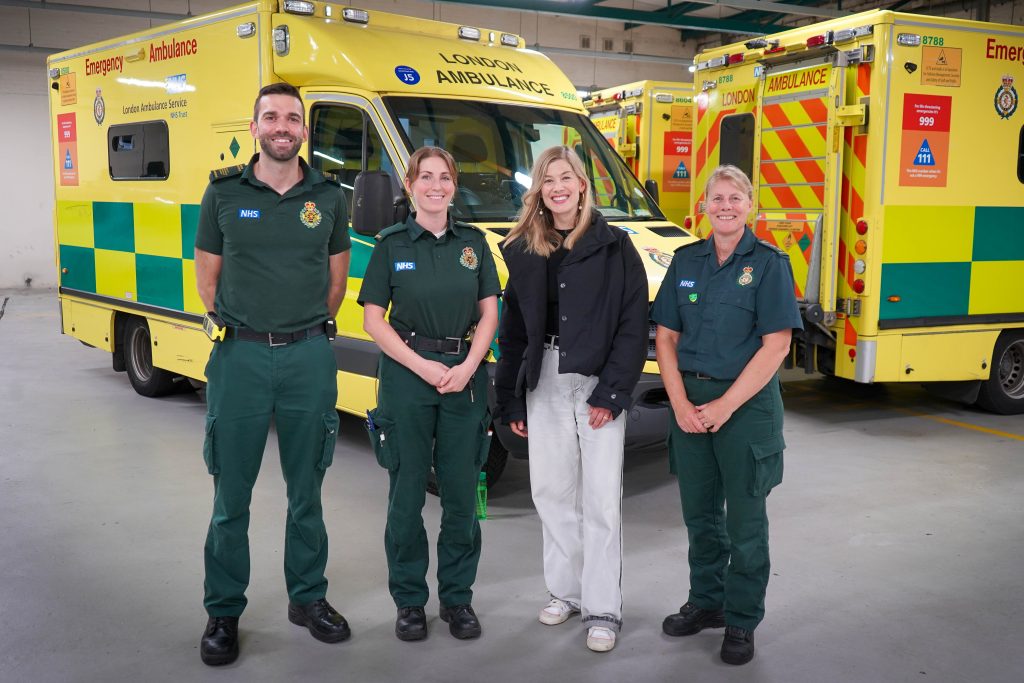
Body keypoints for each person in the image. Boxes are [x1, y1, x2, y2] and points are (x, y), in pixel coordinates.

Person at [193, 82, 352, 666]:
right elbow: (206, 280)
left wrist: (300, 329)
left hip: (309, 355)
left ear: (304, 129)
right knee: (230, 494)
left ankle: (307, 598)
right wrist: (245, 328)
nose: (282, 126)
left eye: (292, 117)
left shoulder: (330, 198)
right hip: (240, 358)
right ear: (255, 125)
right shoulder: (224, 192)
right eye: (271, 117)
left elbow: (336, 284)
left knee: (306, 488)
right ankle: (223, 609)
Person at [494, 146, 649, 653]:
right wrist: (512, 400)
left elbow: (633, 325)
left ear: (583, 183)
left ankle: (604, 608)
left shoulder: (615, 246)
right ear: (537, 190)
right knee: (551, 494)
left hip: (597, 381)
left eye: (566, 177)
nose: (557, 186)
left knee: (602, 499)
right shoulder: (522, 247)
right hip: (545, 380)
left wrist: (613, 391)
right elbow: (514, 330)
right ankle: (566, 592)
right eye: (547, 179)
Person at [651, 164, 803, 665]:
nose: (725, 207)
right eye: (716, 198)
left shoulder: (768, 264)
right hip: (689, 405)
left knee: (744, 519)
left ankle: (740, 619)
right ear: (704, 206)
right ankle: (706, 602)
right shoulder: (685, 259)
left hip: (745, 409)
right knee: (699, 516)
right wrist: (679, 403)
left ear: (750, 205)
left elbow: (776, 346)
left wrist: (723, 406)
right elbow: (665, 338)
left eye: (735, 198)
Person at [359, 147, 500, 643]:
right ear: (410, 184)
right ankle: (410, 602)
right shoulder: (391, 244)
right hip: (406, 376)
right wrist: (421, 365)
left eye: (445, 178)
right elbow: (372, 318)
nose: (436, 186)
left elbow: (489, 314)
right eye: (426, 177)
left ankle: (458, 599)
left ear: (453, 186)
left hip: (464, 380)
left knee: (463, 498)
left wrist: (467, 367)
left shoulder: (475, 244)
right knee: (406, 496)